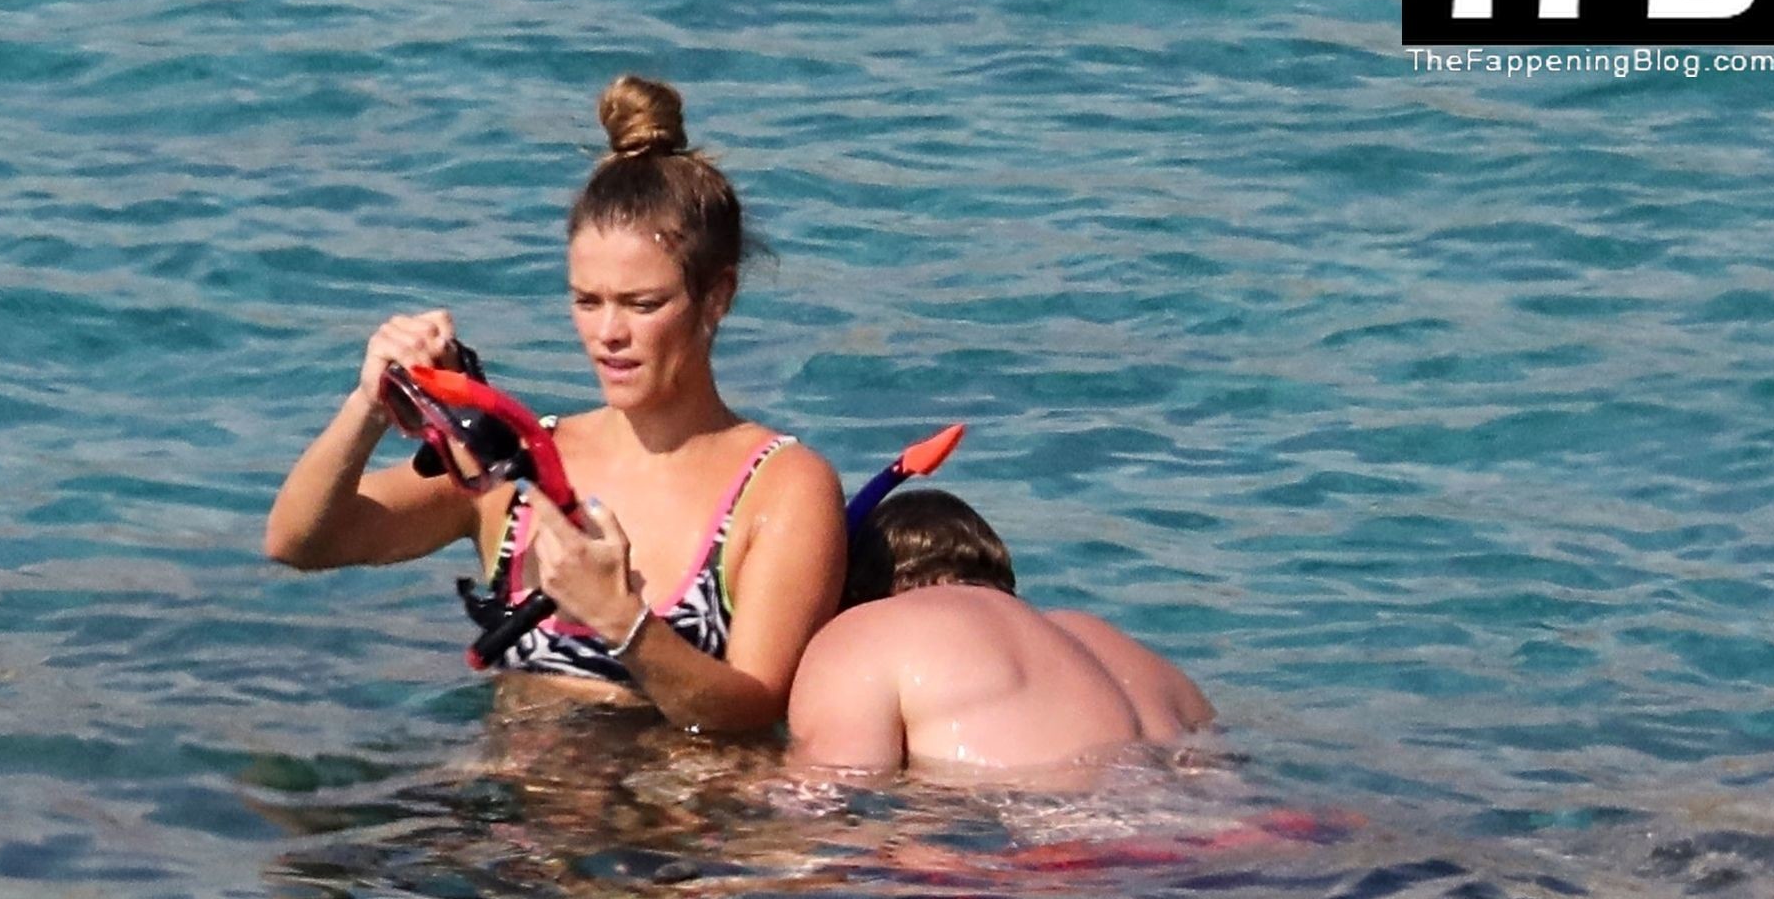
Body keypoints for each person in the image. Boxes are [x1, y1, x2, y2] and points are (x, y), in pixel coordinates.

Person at [265, 76, 846, 734]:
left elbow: (752, 710)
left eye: (642, 305)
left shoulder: (784, 487)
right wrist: (370, 405)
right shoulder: (521, 466)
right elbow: (301, 542)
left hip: (675, 799)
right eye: (587, 301)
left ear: (717, 297)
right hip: (508, 791)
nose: (608, 334)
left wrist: (623, 623)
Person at [785, 490, 1213, 773]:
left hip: (1064, 856)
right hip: (1226, 836)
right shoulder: (1099, 638)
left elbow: (832, 795)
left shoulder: (870, 629)